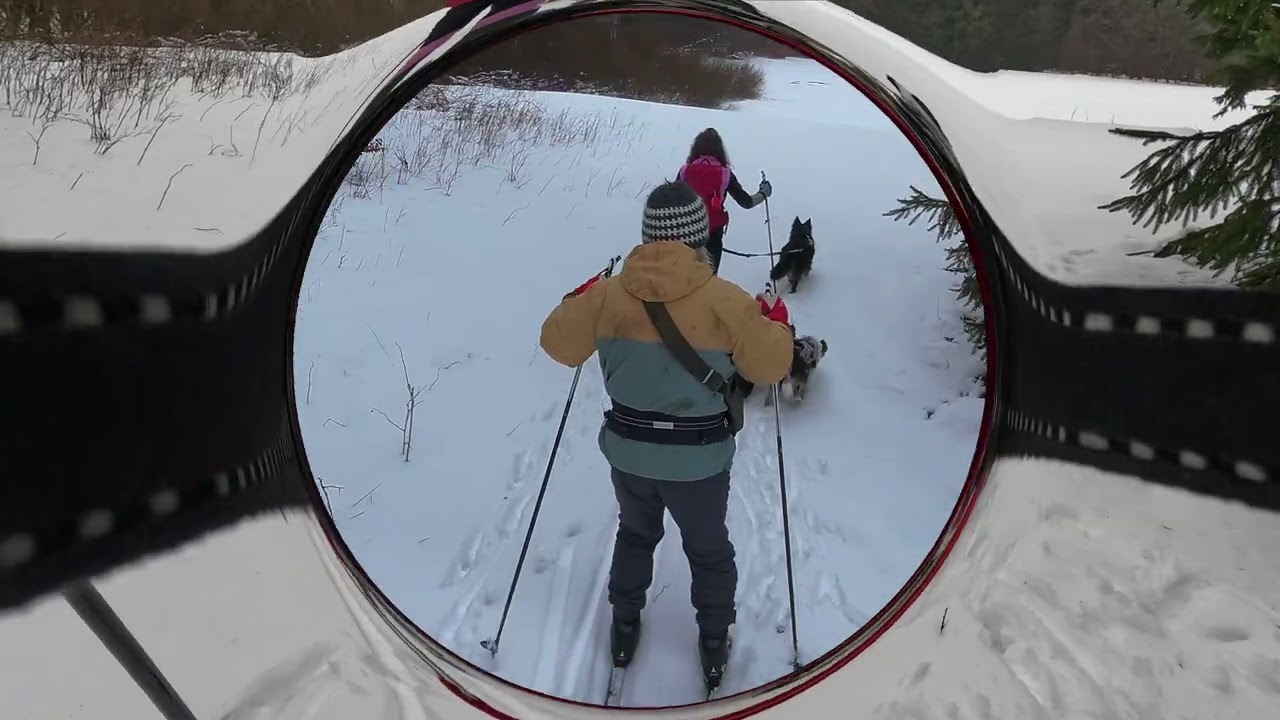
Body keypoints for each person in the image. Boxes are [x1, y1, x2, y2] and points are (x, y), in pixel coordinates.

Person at [539, 181, 794, 689]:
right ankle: (715, 639)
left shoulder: (609, 295)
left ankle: (625, 621)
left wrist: (584, 291)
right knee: (708, 549)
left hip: (629, 456)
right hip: (698, 462)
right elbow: (772, 365)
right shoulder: (727, 300)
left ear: (649, 235)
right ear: (699, 236)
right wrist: (778, 324)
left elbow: (557, 343)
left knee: (636, 533)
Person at [676, 127, 773, 275]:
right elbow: (746, 202)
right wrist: (764, 193)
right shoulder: (725, 175)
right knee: (708, 281)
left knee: (683, 277)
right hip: (712, 235)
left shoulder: (684, 171)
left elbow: (672, 200)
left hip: (684, 233)